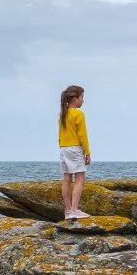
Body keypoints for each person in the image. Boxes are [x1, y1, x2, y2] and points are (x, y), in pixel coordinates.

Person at [58, 84, 92, 219]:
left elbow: (60, 135)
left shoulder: (62, 115)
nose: (83, 100)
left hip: (64, 148)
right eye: (82, 97)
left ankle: (68, 211)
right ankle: (74, 210)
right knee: (80, 179)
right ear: (75, 98)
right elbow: (83, 135)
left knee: (66, 179)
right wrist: (87, 152)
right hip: (75, 148)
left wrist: (62, 147)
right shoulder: (79, 114)